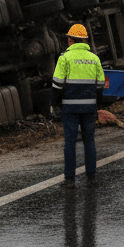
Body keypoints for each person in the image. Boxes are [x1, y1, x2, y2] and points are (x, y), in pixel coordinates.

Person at [51, 23, 106, 187]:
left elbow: (57, 85)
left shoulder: (64, 58)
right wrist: (96, 104)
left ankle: (70, 180)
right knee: (89, 140)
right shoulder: (94, 59)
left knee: (70, 142)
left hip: (70, 108)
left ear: (70, 40)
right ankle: (92, 178)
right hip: (89, 107)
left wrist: (54, 104)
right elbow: (101, 85)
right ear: (84, 40)